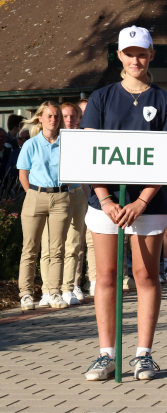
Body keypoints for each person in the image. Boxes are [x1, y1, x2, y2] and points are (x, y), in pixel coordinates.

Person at [81, 26, 167, 381]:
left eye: (141, 52)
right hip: (105, 202)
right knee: (107, 276)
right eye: (129, 53)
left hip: (148, 204)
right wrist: (107, 199)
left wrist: (140, 200)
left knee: (145, 275)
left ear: (151, 55)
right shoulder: (101, 98)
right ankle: (106, 354)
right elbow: (88, 156)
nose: (135, 59)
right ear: (119, 57)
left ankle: (143, 355)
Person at [16, 102, 72, 312]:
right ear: (40, 118)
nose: (53, 119)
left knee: (57, 249)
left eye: (56, 116)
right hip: (36, 195)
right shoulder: (31, 144)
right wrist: (31, 192)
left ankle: (54, 291)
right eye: (49, 116)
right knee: (30, 248)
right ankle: (26, 294)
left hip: (60, 197)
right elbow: (23, 173)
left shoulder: (67, 143)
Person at [38, 102, 87, 306]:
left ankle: (67, 288)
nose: (66, 120)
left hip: (76, 194)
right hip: (54, 195)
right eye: (62, 116)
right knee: (49, 245)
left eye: (70, 116)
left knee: (73, 243)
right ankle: (48, 290)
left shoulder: (81, 139)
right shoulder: (47, 140)